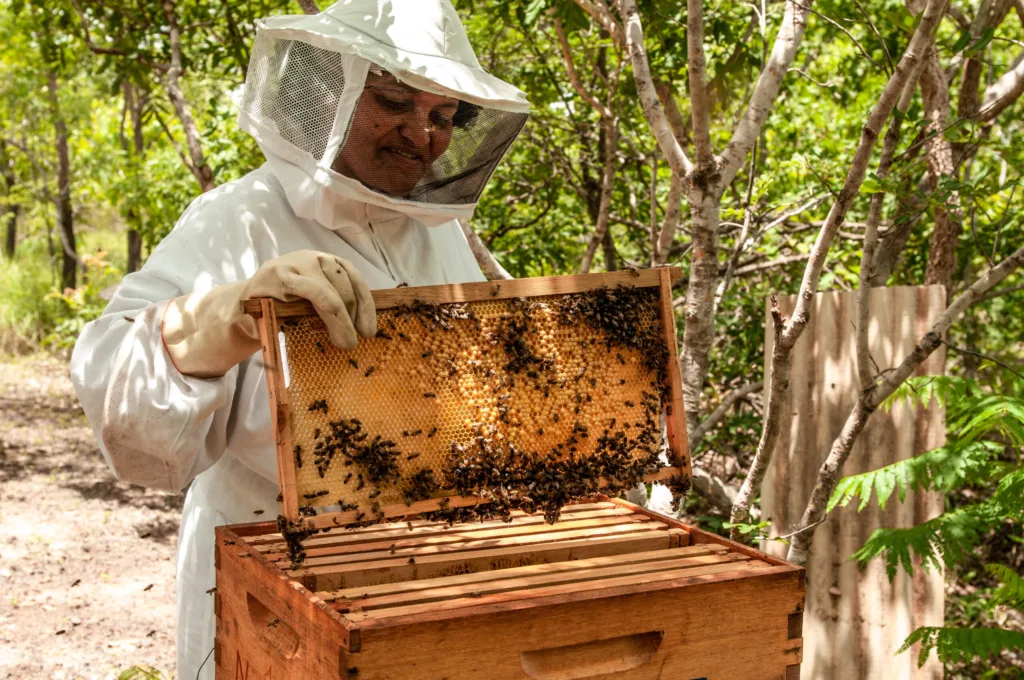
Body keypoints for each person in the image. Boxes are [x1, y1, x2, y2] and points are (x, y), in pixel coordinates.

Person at [69, 0, 530, 676]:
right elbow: (108, 372)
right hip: (273, 560)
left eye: (441, 116)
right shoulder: (238, 217)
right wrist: (231, 313)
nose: (422, 135)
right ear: (335, 94)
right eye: (396, 102)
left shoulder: (439, 235)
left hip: (419, 570)